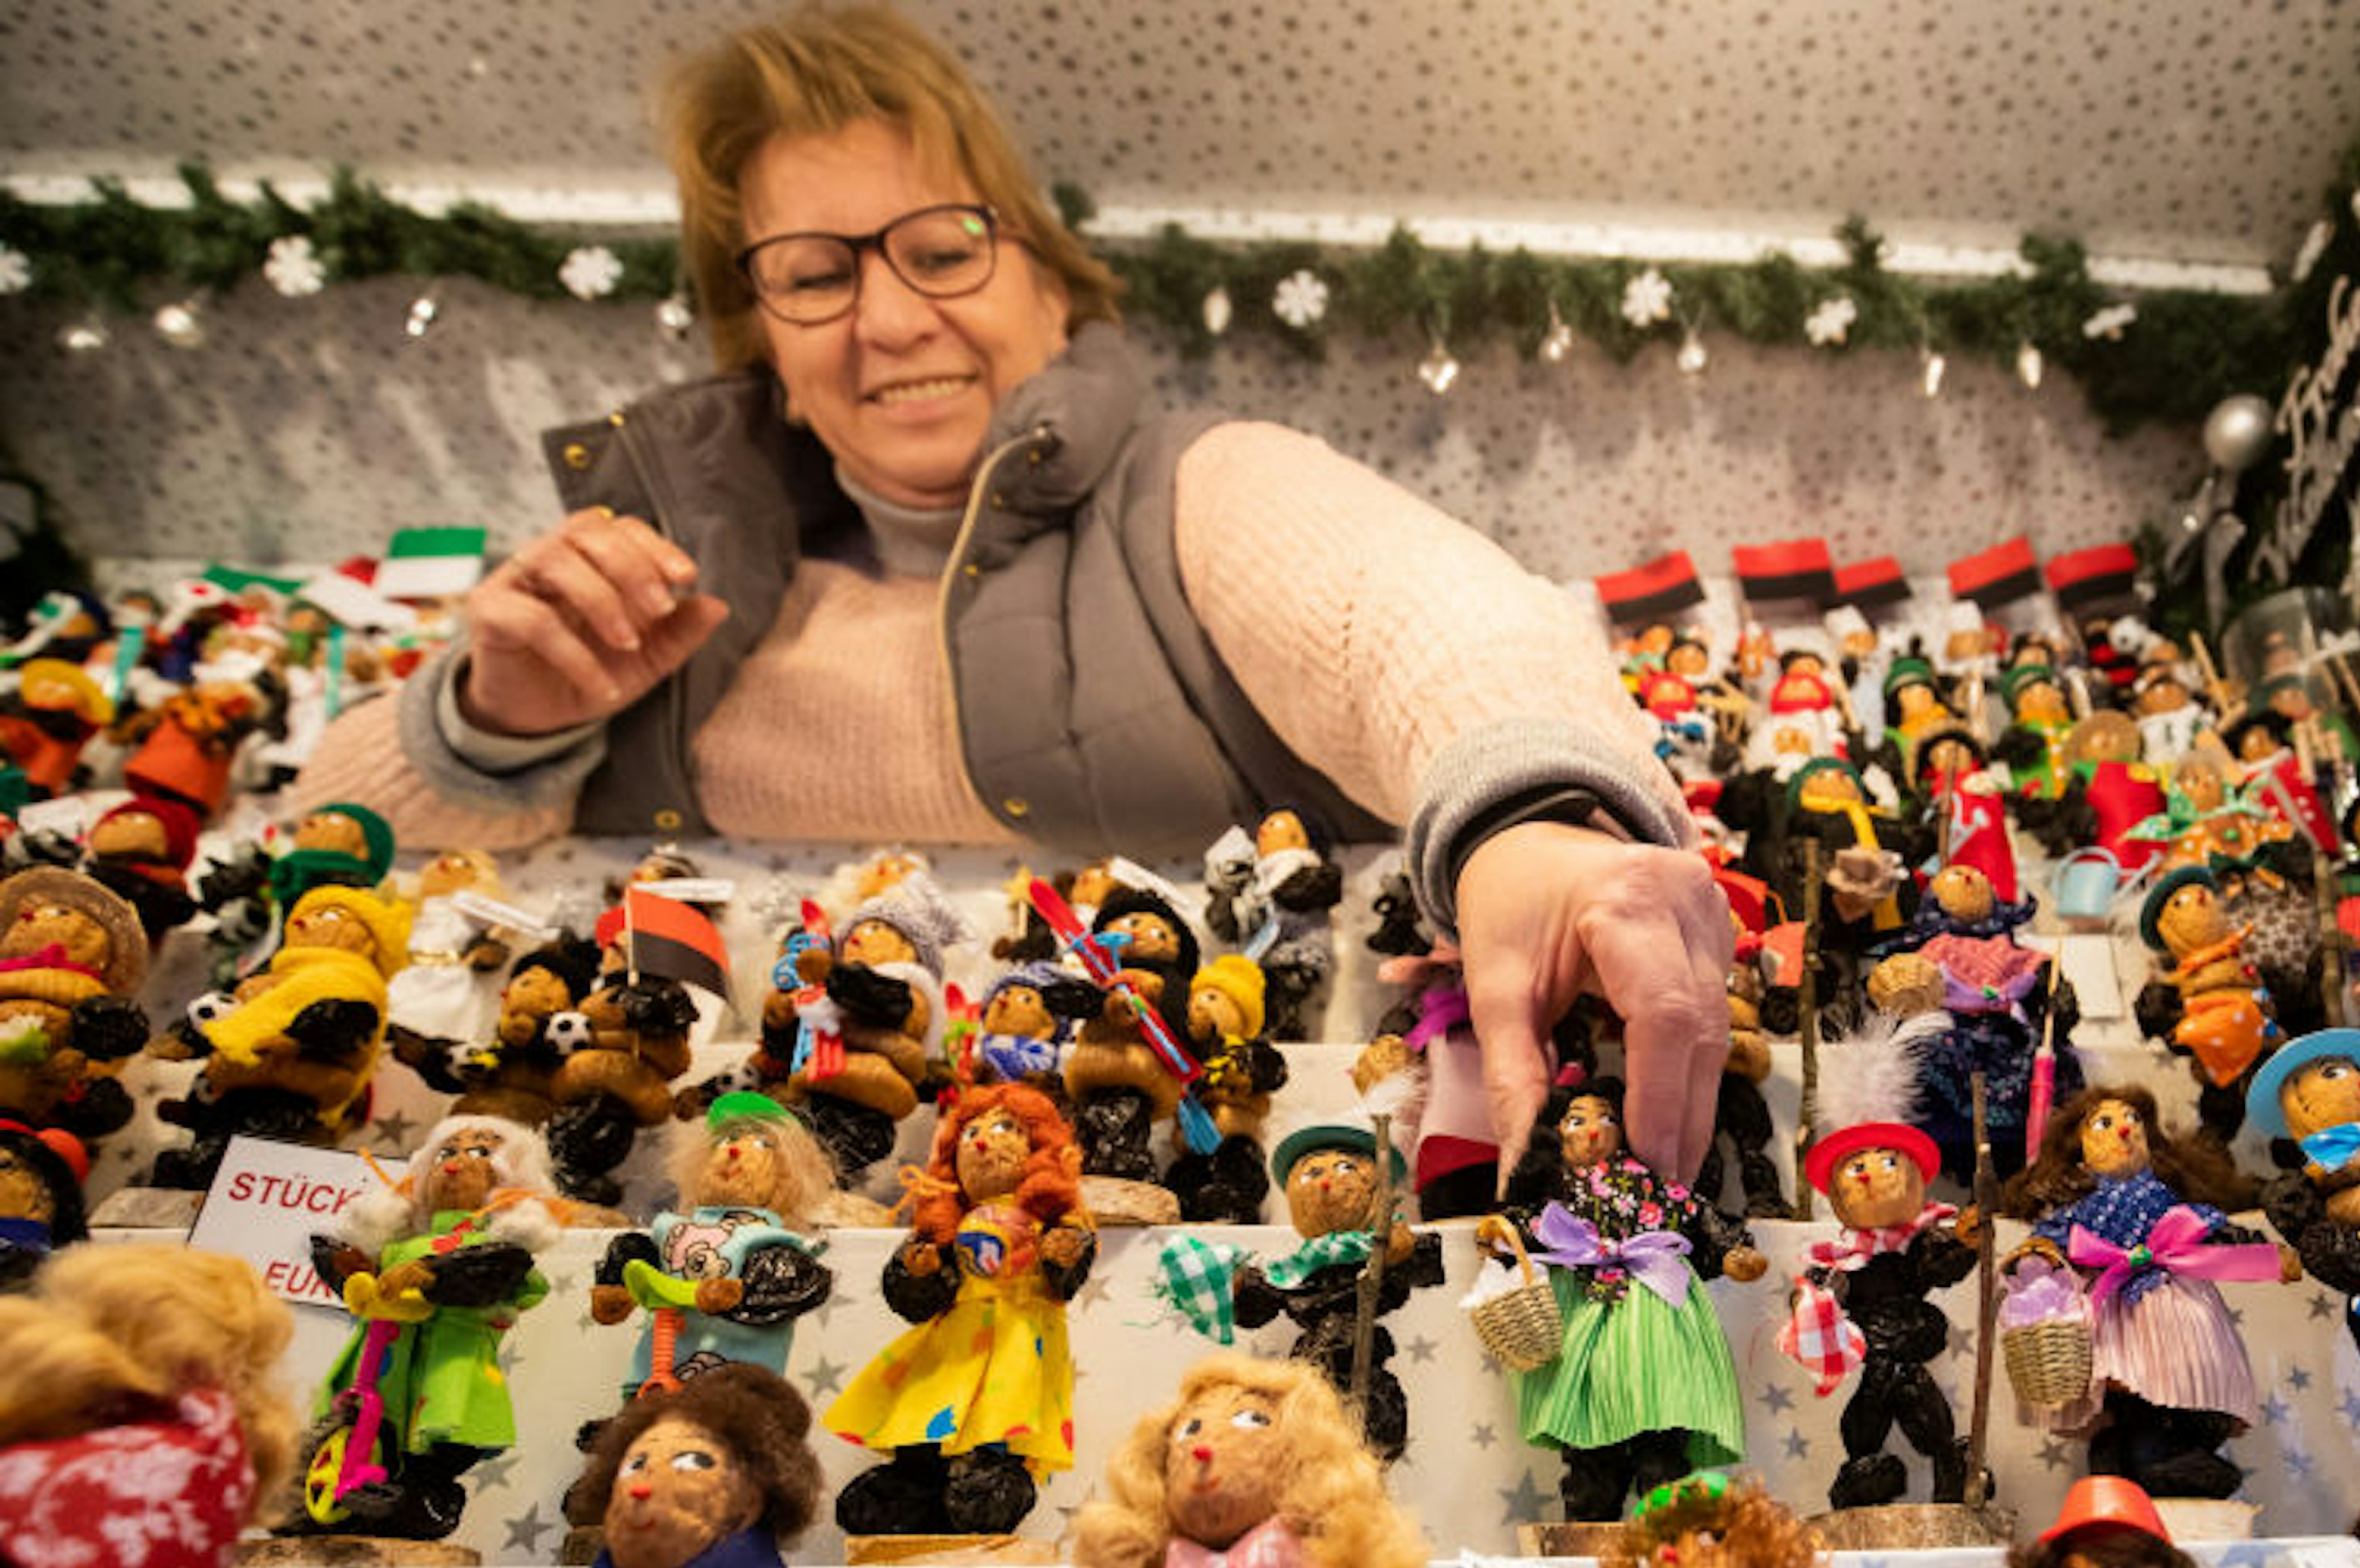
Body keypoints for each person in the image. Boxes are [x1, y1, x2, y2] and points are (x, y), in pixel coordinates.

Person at [297, 5, 1728, 1184]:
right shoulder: (656, 583)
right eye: (812, 275)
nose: (891, 318)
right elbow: (329, 852)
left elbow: (1427, 617)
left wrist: (1525, 822)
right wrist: (493, 725)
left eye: (939, 250)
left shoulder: (1197, 494)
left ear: (1052, 287)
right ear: (763, 343)